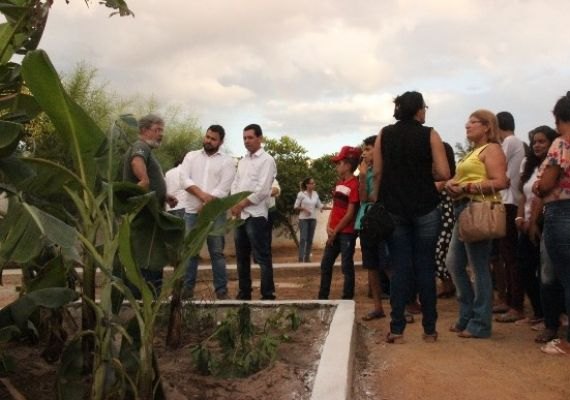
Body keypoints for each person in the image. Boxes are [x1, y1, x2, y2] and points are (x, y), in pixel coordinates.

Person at [373, 91, 450, 344]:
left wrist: (376, 199)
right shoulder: (430, 134)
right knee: (425, 267)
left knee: (400, 267)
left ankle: (397, 328)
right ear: (418, 110)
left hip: (394, 208)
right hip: (426, 206)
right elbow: (443, 172)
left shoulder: (384, 134)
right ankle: (429, 329)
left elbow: (378, 171)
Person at [446, 109, 508, 339]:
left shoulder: (491, 149)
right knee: (454, 263)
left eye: (473, 122)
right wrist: (453, 185)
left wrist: (468, 187)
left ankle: (480, 322)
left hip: (478, 209)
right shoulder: (473, 152)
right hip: (464, 209)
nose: (467, 125)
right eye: (467, 121)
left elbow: (501, 181)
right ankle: (468, 315)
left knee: (478, 266)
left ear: (487, 127)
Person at [178, 125, 236, 300]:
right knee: (190, 252)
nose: (209, 141)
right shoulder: (191, 156)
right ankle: (187, 290)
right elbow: (183, 180)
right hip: (191, 212)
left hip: (215, 215)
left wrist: (207, 205)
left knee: (216, 252)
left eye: (213, 139)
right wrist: (203, 196)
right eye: (207, 137)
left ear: (221, 141)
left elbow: (224, 188)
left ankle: (221, 290)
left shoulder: (227, 161)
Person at [532, 92, 570, 355]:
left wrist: (537, 185)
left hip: (561, 212)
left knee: (567, 278)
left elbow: (546, 184)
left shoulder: (562, 144)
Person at [122, 113, 178, 292]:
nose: (161, 134)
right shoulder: (140, 146)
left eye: (162, 130)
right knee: (145, 260)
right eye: (157, 130)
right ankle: (143, 298)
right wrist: (144, 180)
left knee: (150, 257)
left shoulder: (147, 150)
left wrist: (164, 195)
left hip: (152, 216)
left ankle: (149, 296)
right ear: (144, 130)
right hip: (145, 218)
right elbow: (136, 161)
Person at [515, 126, 558, 329]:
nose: (537, 145)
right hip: (525, 224)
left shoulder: (553, 165)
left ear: (551, 142)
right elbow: (523, 194)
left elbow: (542, 194)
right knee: (524, 267)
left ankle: (552, 315)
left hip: (544, 223)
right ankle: (539, 311)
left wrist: (533, 223)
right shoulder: (529, 164)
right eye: (534, 142)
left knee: (546, 272)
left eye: (542, 141)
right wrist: (519, 218)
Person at [231, 124, 277, 300]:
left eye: (250, 137)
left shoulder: (267, 160)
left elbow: (263, 190)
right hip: (240, 215)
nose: (246, 141)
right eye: (244, 138)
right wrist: (235, 203)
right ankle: (244, 292)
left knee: (262, 256)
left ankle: (268, 293)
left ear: (260, 138)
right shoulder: (242, 161)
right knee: (241, 256)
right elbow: (235, 183)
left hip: (256, 215)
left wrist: (241, 204)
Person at [493, 111, 527, 323]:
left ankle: (516, 304)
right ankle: (510, 300)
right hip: (510, 201)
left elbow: (497, 167)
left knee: (510, 256)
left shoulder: (510, 142)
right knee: (507, 255)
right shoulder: (517, 142)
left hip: (508, 202)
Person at [317, 145, 361, 300]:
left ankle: (347, 297)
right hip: (334, 231)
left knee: (346, 266)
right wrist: (329, 225)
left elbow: (350, 214)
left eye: (339, 163)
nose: (336, 166)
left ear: (348, 165)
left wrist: (335, 231)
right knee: (326, 264)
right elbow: (336, 207)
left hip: (346, 233)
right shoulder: (339, 184)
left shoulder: (354, 185)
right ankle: (322, 297)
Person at [356, 136, 388, 320]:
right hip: (366, 221)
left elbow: (375, 197)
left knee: (389, 264)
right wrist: (361, 177)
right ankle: (378, 307)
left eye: (368, 149)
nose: (364, 153)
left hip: (382, 221)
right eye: (364, 149)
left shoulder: (385, 172)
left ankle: (405, 304)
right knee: (372, 266)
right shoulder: (365, 172)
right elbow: (363, 198)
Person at [434, 142, 457, 298]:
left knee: (441, 252)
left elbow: (434, 190)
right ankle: (447, 285)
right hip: (441, 217)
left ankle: (450, 284)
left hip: (447, 218)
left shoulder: (447, 177)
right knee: (439, 252)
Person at [294, 177, 327, 262]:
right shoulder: (301, 194)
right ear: (307, 185)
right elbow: (295, 206)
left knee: (310, 239)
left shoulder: (315, 194)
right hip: (303, 219)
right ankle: (301, 258)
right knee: (303, 238)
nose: (313, 185)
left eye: (314, 183)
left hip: (313, 219)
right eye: (312, 183)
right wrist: (304, 209)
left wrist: (330, 208)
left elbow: (320, 205)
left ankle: (307, 258)